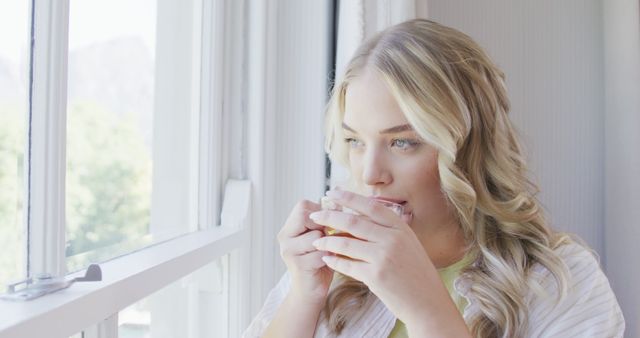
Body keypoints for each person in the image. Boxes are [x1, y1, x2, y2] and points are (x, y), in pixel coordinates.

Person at [243, 19, 625, 338]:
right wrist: (304, 297)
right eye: (355, 140)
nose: (370, 174)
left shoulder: (563, 282)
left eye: (403, 142)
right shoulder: (334, 272)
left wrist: (426, 309)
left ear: (469, 147)